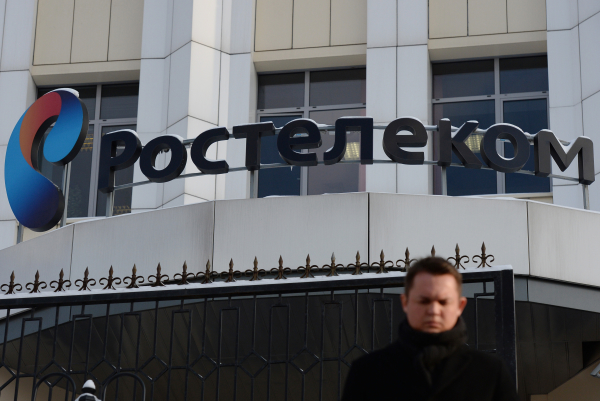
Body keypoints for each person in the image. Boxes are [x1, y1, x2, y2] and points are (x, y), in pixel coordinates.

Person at [342, 257, 519, 401]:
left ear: (460, 306)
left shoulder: (490, 372)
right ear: (405, 302)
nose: (434, 310)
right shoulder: (367, 373)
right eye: (424, 301)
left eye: (443, 301)